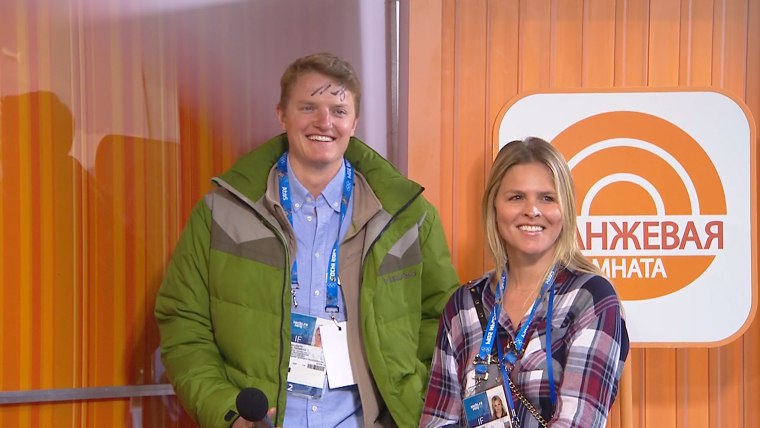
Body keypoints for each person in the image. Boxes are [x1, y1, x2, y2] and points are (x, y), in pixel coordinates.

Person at [154, 52, 459, 428]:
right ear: (282, 114)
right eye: (308, 107)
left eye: (338, 109)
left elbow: (445, 325)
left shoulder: (408, 217)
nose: (324, 122)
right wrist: (227, 411)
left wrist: (410, 406)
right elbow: (184, 322)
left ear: (355, 121)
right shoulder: (221, 213)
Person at [420, 137, 629, 427]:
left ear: (565, 209)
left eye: (547, 197)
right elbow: (437, 421)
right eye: (516, 197)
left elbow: (578, 422)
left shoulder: (590, 298)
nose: (532, 210)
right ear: (494, 207)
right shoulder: (463, 304)